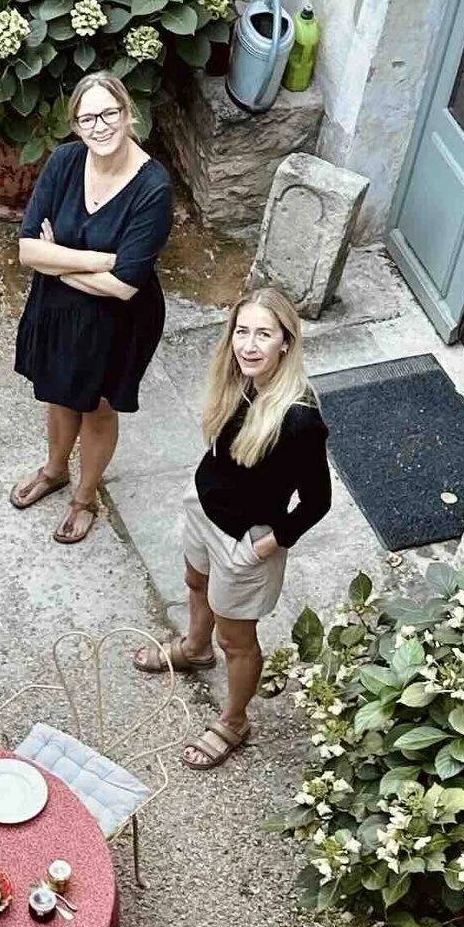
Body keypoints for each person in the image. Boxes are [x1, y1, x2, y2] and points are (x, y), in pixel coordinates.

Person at [135, 283, 330, 769]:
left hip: (244, 540)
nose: (249, 344)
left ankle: (235, 721)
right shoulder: (239, 381)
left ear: (286, 341)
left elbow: (318, 501)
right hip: (203, 510)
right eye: (243, 331)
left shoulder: (300, 418)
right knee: (193, 583)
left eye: (264, 334)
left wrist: (268, 544)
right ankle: (194, 649)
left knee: (236, 640)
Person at [9, 72, 176, 548]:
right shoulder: (64, 162)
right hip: (61, 307)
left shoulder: (153, 187)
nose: (99, 126)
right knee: (58, 392)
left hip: (119, 320)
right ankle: (55, 471)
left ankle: (85, 497)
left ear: (127, 114)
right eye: (87, 118)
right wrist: (98, 260)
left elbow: (125, 286)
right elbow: (27, 251)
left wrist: (57, 262)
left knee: (98, 407)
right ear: (76, 126)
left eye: (108, 114)